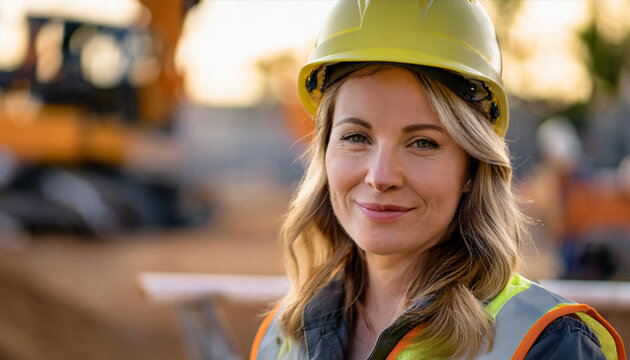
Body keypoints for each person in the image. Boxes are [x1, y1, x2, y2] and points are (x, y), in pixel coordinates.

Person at [250, 1, 626, 359]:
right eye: (356, 137)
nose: (381, 177)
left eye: (423, 143)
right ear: (325, 151)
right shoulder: (282, 339)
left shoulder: (544, 345)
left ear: (471, 167)